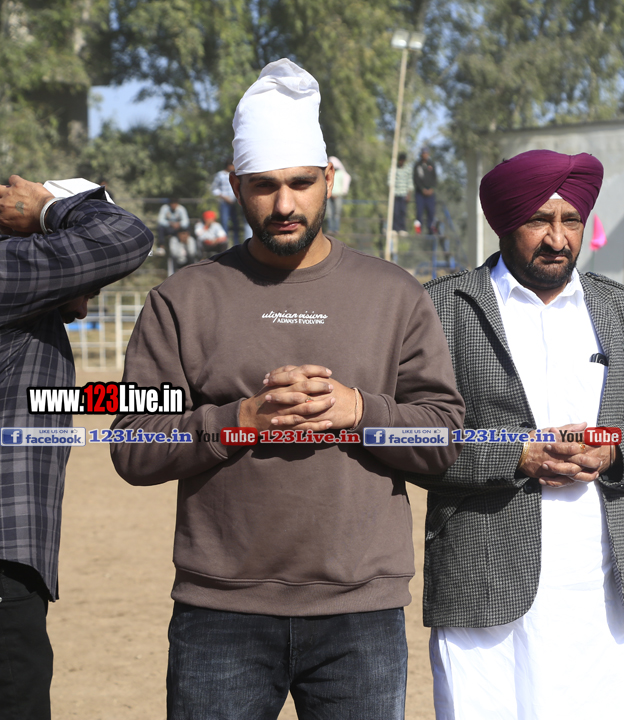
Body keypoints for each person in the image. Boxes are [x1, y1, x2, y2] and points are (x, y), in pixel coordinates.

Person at [108, 58, 464, 719]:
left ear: (329, 177)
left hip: (360, 614)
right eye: (264, 186)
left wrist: (358, 411)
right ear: (234, 184)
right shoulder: (183, 300)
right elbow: (132, 444)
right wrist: (239, 421)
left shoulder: (394, 295)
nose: (284, 205)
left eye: (301, 183)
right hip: (221, 612)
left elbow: (444, 438)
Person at [414, 149, 624, 719]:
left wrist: (613, 452)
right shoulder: (444, 308)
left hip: (601, 592)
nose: (558, 239)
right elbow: (413, 434)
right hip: (485, 587)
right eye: (540, 220)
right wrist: (517, 455)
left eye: (571, 221)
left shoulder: (620, 308)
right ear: (504, 222)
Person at [1, 176, 152, 718]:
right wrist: (48, 210)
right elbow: (127, 236)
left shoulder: (24, 305)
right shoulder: (9, 271)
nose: (87, 308)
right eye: (92, 282)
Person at [209, 162, 242, 246]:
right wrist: (223, 197)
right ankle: (225, 244)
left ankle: (236, 243)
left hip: (234, 202)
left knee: (235, 223)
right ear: (229, 165)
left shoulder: (236, 174)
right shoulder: (220, 175)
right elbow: (214, 188)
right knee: (224, 222)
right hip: (224, 202)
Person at [414, 147, 438, 235]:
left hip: (430, 193)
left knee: (431, 212)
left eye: (426, 153)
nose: (425, 154)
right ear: (421, 154)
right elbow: (415, 179)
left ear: (428, 154)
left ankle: (431, 230)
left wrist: (431, 188)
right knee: (419, 212)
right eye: (423, 153)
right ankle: (418, 230)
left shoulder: (431, 164)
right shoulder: (417, 165)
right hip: (420, 193)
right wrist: (422, 189)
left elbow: (435, 178)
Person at [326, 155, 351, 235]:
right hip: (329, 195)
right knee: (329, 213)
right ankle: (330, 229)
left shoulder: (341, 173)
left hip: (338, 195)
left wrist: (342, 192)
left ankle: (336, 229)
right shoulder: (328, 173)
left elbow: (346, 180)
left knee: (337, 213)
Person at [390, 152, 411, 233]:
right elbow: (390, 181)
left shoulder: (407, 169)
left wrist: (409, 194)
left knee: (402, 212)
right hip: (395, 194)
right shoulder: (394, 169)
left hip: (403, 194)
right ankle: (394, 228)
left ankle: (402, 229)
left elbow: (409, 182)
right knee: (395, 212)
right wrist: (391, 192)